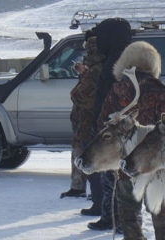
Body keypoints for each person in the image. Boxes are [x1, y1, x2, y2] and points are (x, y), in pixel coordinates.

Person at [98, 41, 165, 240]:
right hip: (153, 162)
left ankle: (133, 237)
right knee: (159, 206)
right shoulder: (160, 90)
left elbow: (103, 123)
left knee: (127, 206)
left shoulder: (117, 90)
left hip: (126, 160)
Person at [86, 18, 132, 231]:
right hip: (121, 129)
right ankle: (117, 219)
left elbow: (109, 98)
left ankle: (112, 219)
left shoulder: (115, 63)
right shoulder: (126, 59)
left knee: (111, 177)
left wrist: (100, 125)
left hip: (111, 130)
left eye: (103, 36)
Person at [60, 31, 106, 216]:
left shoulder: (98, 69)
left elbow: (83, 96)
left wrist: (84, 76)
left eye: (90, 48)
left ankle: (97, 198)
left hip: (90, 119)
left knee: (91, 156)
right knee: (80, 150)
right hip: (83, 119)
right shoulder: (95, 67)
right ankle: (79, 187)